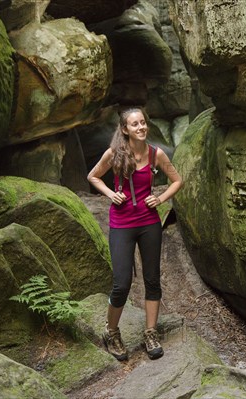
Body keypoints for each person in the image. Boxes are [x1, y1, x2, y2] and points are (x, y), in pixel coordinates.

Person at [87, 107, 182, 361]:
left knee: (152, 280)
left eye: (143, 123)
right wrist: (110, 193)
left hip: (149, 223)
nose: (141, 127)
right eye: (135, 124)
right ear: (125, 129)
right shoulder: (115, 154)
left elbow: (177, 180)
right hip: (121, 224)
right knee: (121, 284)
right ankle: (111, 332)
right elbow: (93, 176)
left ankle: (150, 333)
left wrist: (160, 198)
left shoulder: (155, 154)